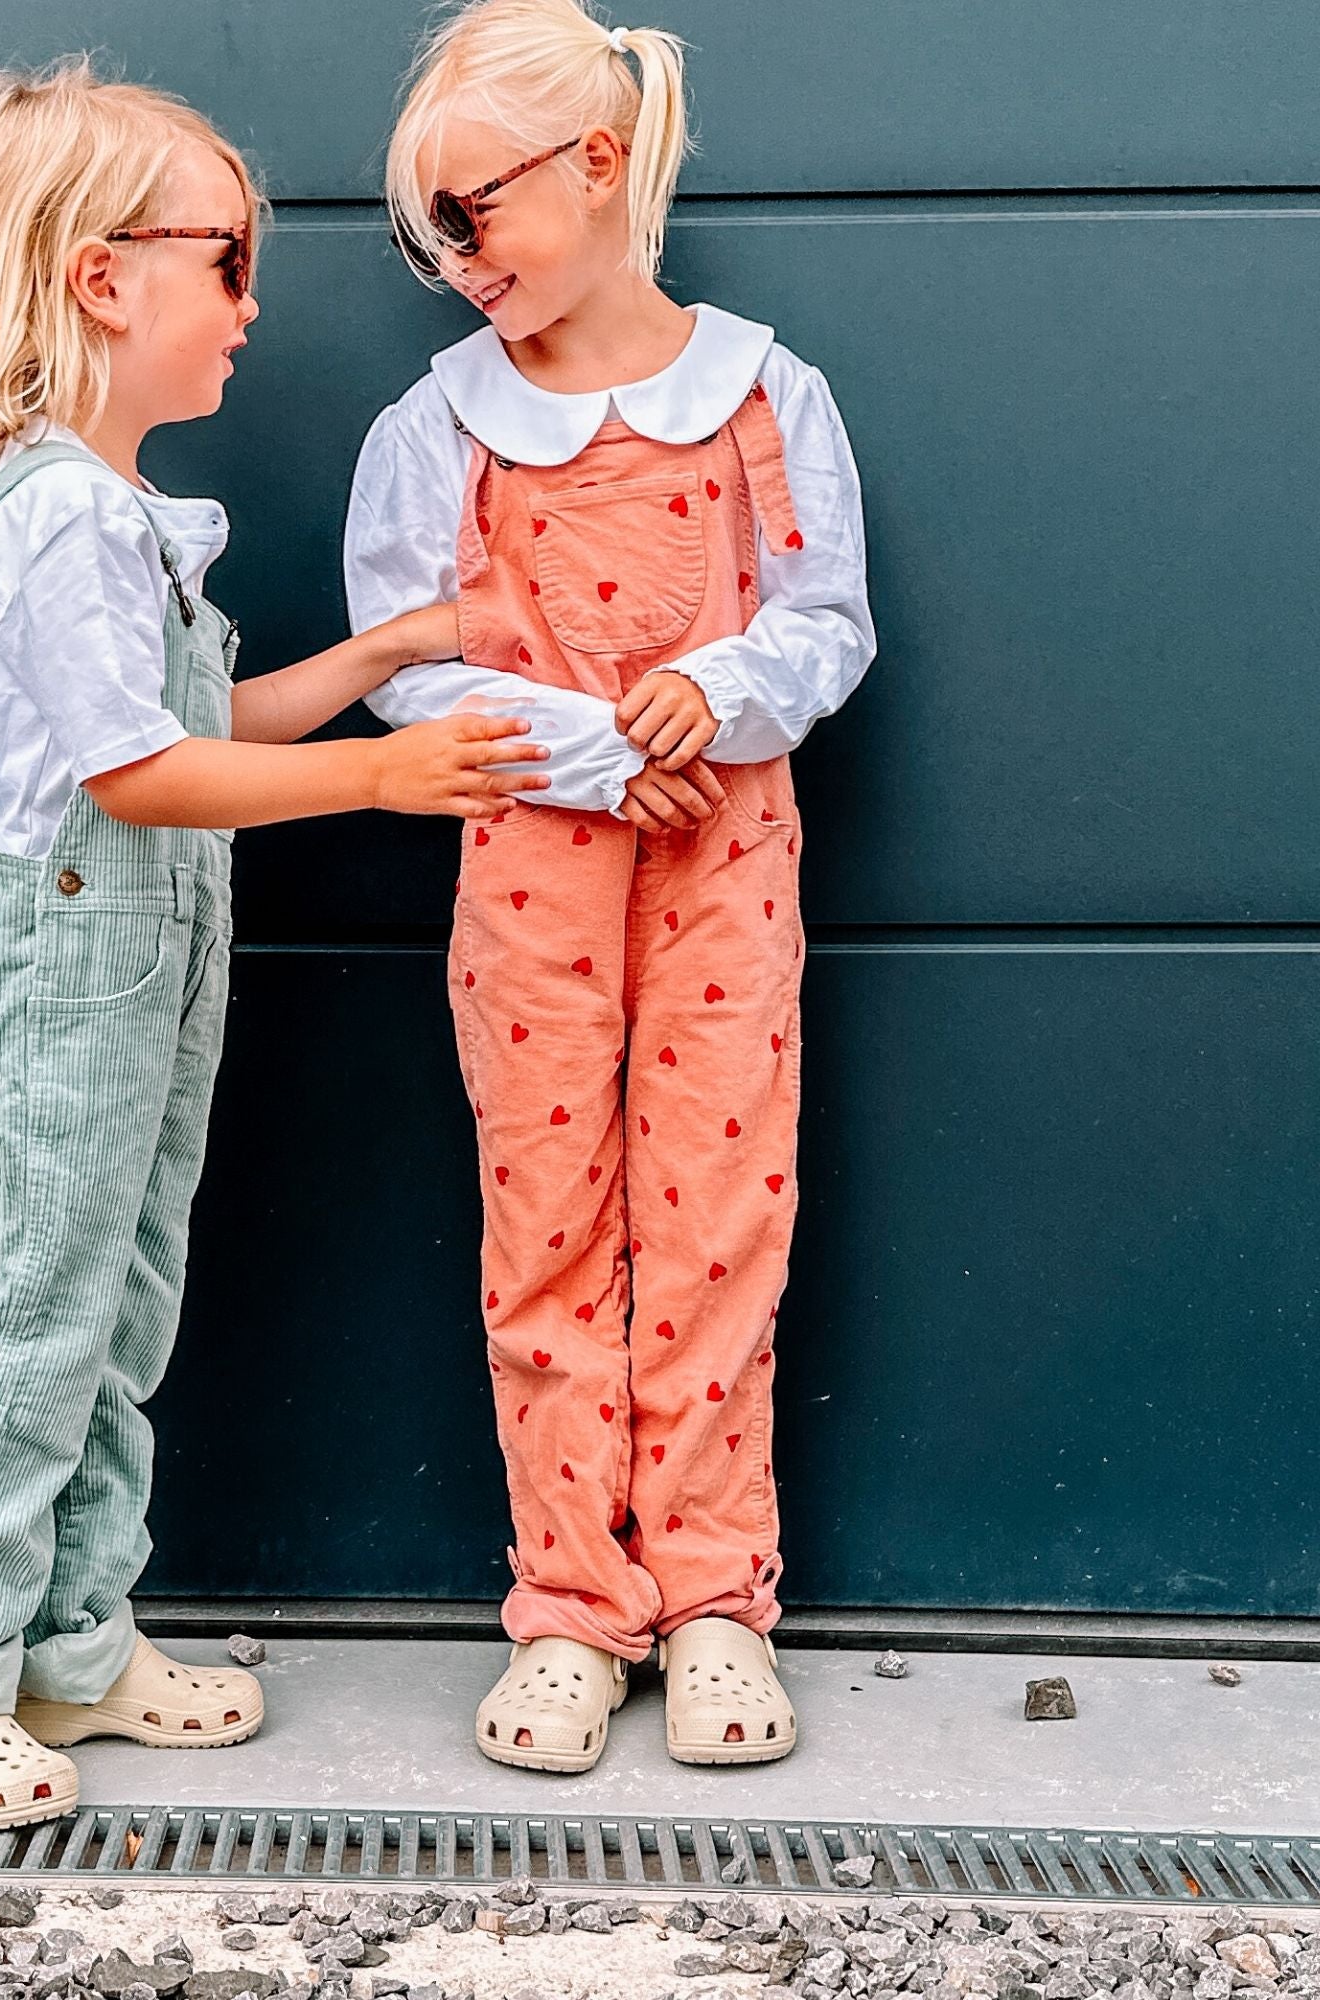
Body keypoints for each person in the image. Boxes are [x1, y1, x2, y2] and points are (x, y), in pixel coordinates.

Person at [0, 56, 548, 1832]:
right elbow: (145, 776)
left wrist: (383, 655)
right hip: (36, 998)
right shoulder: (60, 518)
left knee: (111, 1319)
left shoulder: (120, 517)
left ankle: (71, 1640)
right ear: (104, 279)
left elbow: (198, 718)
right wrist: (382, 775)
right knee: (27, 1328)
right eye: (228, 261)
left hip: (127, 992)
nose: (250, 303)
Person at [345, 0, 876, 1772]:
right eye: (425, 231)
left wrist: (719, 691)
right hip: (533, 876)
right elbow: (406, 662)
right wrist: (588, 747)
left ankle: (717, 1596)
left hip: (725, 860)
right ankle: (572, 1600)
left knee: (720, 1208)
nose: (454, 258)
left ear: (595, 165)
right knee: (547, 1217)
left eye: (470, 211)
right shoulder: (441, 423)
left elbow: (824, 620)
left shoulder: (766, 394)